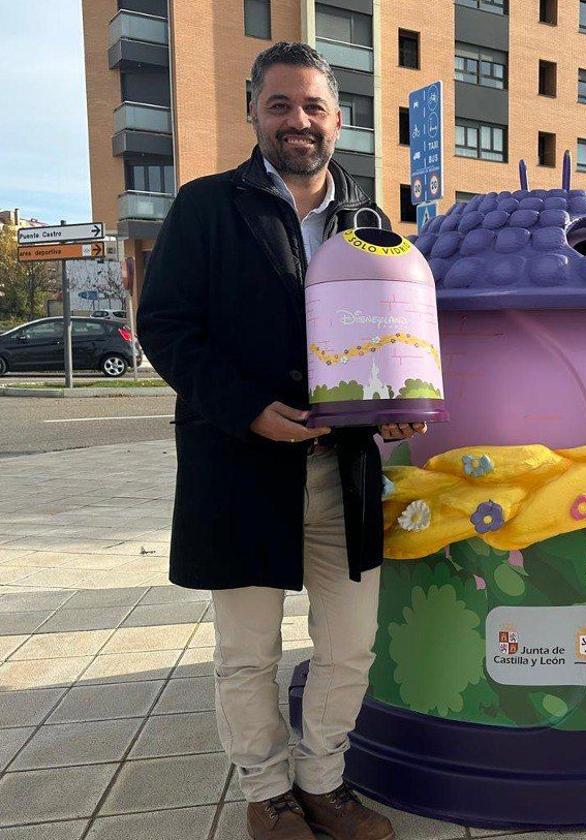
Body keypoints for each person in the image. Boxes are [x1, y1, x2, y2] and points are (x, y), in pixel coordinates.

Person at [139, 42, 422, 840]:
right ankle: (268, 793)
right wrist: (246, 408)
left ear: (339, 118)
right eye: (280, 105)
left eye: (312, 107)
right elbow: (165, 327)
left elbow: (393, 340)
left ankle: (323, 782)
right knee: (247, 652)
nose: (297, 121)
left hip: (344, 469)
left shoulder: (369, 220)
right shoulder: (204, 206)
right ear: (254, 114)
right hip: (240, 464)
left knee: (350, 643)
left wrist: (396, 409)